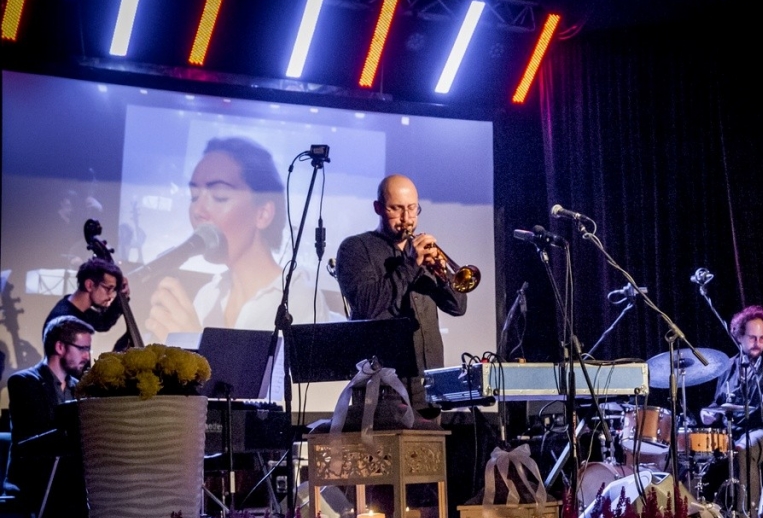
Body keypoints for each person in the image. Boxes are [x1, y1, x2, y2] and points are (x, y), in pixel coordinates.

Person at [145, 136, 328, 341]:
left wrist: (194, 341)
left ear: (263, 213)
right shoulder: (208, 295)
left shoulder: (299, 300)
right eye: (194, 196)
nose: (197, 210)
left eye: (219, 196)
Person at [335, 174, 468, 418]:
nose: (407, 218)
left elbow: (458, 307)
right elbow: (366, 305)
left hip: (430, 387)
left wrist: (442, 276)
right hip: (381, 388)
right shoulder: (355, 248)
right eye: (396, 209)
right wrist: (410, 266)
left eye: (412, 208)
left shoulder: (424, 252)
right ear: (378, 208)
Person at [699, 305, 763, 518]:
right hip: (738, 431)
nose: (758, 343)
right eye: (752, 338)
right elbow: (718, 402)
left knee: (744, 449)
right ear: (739, 337)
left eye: (762, 338)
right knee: (697, 452)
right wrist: (709, 413)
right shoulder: (728, 367)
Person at [3, 315, 93, 518]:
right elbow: (34, 439)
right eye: (82, 348)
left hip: (70, 486)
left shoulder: (81, 388)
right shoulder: (24, 383)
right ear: (60, 347)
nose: (87, 356)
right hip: (36, 482)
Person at [43, 256, 128, 343]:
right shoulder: (67, 322)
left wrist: (122, 296)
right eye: (108, 289)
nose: (110, 296)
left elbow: (104, 323)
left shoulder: (78, 307)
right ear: (89, 285)